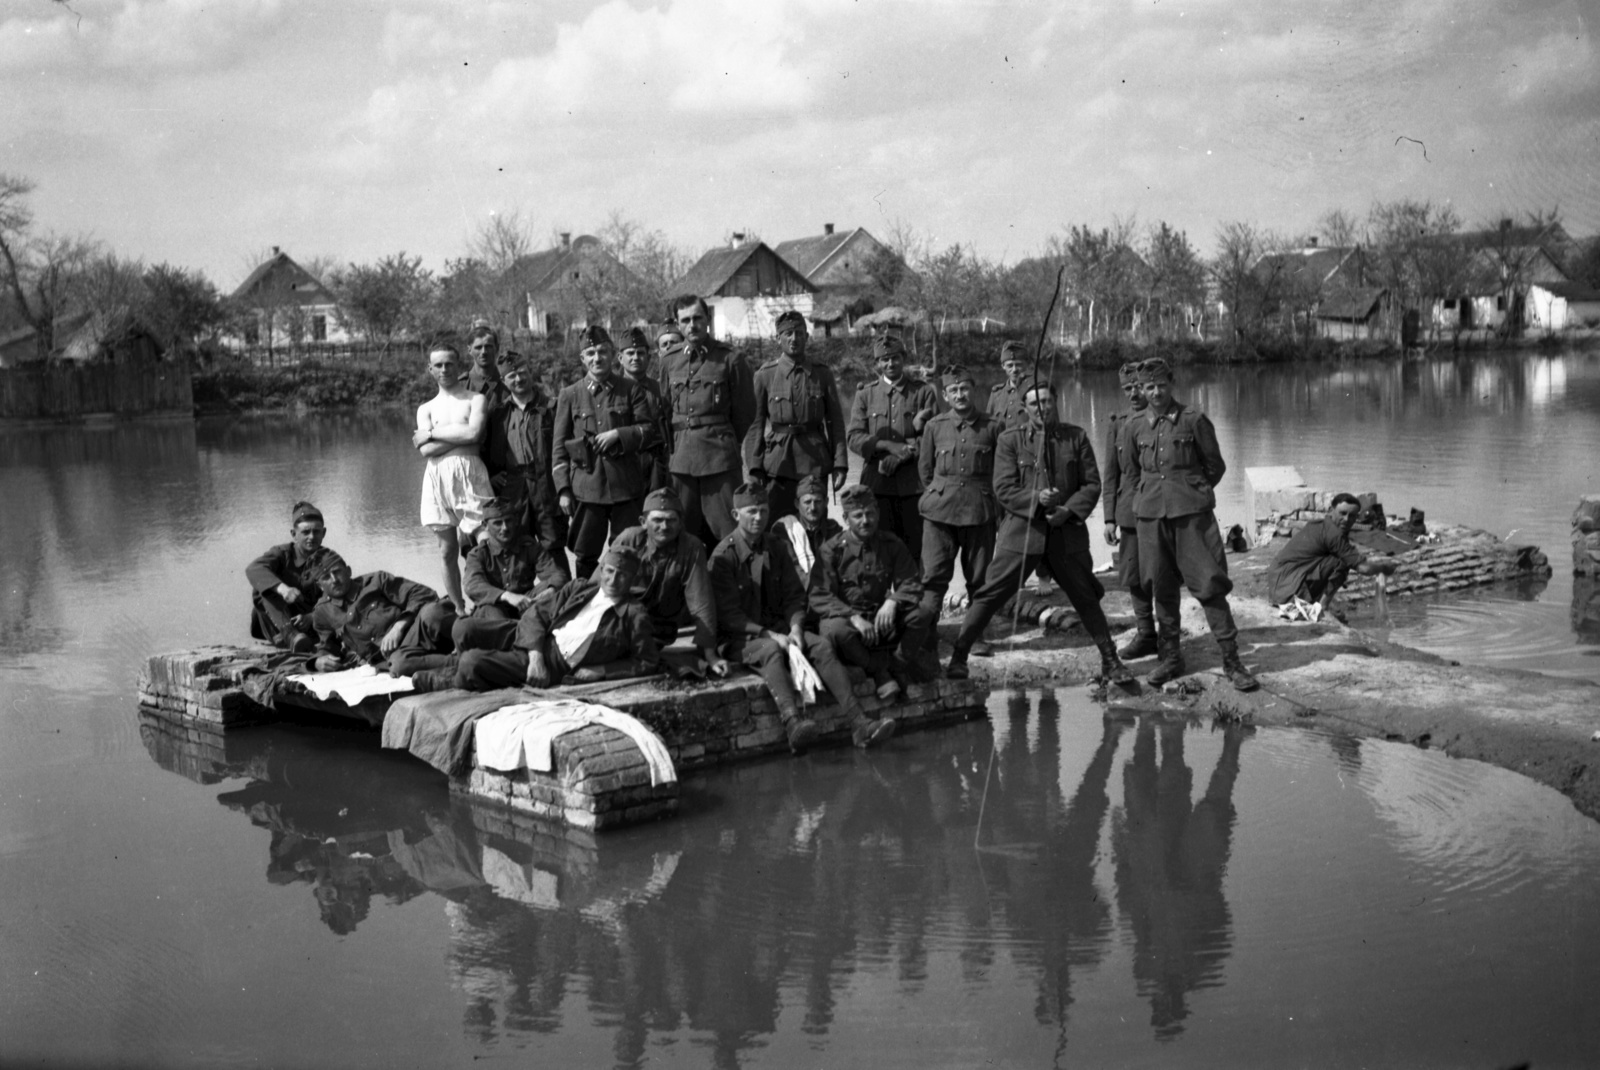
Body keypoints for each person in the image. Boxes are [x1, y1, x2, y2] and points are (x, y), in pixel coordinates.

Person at [944, 380, 1134, 684]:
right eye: (1034, 404)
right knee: (988, 594)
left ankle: (1111, 662)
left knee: (1086, 597)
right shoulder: (1010, 440)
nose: (1041, 408)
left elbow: (1091, 484)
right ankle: (958, 658)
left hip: (1066, 535)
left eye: (1046, 401)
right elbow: (1003, 488)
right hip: (1021, 534)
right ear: (1025, 408)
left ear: (1056, 401)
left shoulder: (1077, 436)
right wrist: (1036, 500)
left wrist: (1068, 511)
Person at [710, 483, 896, 752]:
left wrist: (796, 627)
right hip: (741, 636)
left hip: (781, 629)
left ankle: (860, 723)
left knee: (820, 645)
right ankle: (792, 723)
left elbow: (794, 596)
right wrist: (770, 634)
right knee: (771, 650)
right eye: (751, 511)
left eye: (763, 510)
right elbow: (729, 616)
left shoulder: (776, 546)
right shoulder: (723, 557)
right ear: (736, 514)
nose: (759, 517)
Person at [1123, 358, 1258, 691]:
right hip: (1152, 517)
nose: (1155, 393)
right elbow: (1132, 470)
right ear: (1141, 389)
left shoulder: (1194, 420)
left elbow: (1216, 466)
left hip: (1192, 518)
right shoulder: (1134, 425)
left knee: (1209, 585)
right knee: (1161, 587)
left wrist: (1191, 492)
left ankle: (1232, 661)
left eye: (1161, 386)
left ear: (1172, 384)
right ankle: (1170, 658)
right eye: (1148, 387)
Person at [444, 546, 659, 691]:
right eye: (610, 571)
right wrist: (535, 655)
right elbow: (537, 613)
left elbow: (646, 661)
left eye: (622, 575)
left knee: (471, 661)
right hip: (537, 640)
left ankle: (445, 680)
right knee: (464, 628)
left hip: (555, 663)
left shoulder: (633, 614)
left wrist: (602, 671)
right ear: (602, 570)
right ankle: (456, 671)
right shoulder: (581, 588)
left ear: (632, 578)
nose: (613, 580)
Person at [810, 484, 936, 699]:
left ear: (878, 513)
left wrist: (893, 601)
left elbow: (911, 582)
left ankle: (897, 665)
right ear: (845, 518)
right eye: (857, 515)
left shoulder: (891, 544)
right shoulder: (832, 550)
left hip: (880, 620)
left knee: (924, 612)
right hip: (850, 625)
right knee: (835, 629)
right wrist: (853, 617)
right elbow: (820, 595)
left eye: (870, 513)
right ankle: (878, 670)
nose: (865, 521)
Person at [552, 325, 655, 579]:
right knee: (585, 554)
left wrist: (618, 435)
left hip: (626, 486)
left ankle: (626, 604)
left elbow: (648, 430)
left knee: (628, 549)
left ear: (612, 355)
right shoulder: (569, 395)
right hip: (587, 489)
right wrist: (564, 490)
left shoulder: (631, 389)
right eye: (590, 353)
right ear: (582, 359)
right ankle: (585, 603)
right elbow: (559, 447)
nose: (596, 358)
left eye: (602, 352)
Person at [916, 365, 1000, 656]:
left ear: (973, 390)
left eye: (964, 388)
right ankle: (927, 635)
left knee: (979, 577)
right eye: (954, 390)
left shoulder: (993, 426)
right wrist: (942, 493)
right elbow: (925, 471)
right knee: (933, 575)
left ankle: (975, 635)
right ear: (945, 395)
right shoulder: (934, 426)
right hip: (939, 513)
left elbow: (1001, 472)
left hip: (980, 510)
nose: (960, 395)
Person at [659, 295, 756, 545]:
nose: (692, 325)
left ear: (708, 320)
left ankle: (732, 583)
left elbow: (745, 411)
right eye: (685, 320)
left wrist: (725, 441)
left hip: (719, 459)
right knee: (682, 533)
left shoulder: (730, 358)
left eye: (697, 318)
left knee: (729, 531)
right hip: (681, 462)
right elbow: (664, 409)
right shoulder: (669, 360)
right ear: (678, 325)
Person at [609, 488, 726, 675]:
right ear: (643, 522)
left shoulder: (691, 547)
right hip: (621, 622)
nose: (664, 526)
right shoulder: (629, 539)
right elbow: (599, 587)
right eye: (657, 520)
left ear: (680, 523)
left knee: (645, 659)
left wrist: (710, 655)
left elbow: (701, 603)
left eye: (671, 520)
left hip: (659, 630)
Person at [413, 342, 493, 613]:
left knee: (486, 540)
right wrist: (457, 433)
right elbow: (425, 451)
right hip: (437, 478)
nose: (444, 369)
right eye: (438, 365)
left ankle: (492, 601)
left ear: (458, 366)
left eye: (449, 364)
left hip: (470, 473)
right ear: (430, 369)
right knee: (447, 550)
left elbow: (474, 436)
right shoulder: (426, 408)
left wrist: (434, 433)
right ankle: (459, 608)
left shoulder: (475, 399)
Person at [745, 309, 847, 520]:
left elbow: (835, 423)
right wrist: (754, 467)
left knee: (815, 523)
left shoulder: (822, 374)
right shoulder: (765, 375)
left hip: (814, 462)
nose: (794, 339)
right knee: (777, 526)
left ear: (807, 337)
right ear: (778, 338)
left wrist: (840, 464)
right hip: (777, 464)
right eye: (788, 334)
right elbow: (755, 425)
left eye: (800, 333)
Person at [846, 332, 940, 559]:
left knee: (915, 550)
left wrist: (902, 454)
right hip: (878, 486)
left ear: (904, 358)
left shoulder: (923, 392)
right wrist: (886, 445)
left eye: (895, 358)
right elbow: (854, 437)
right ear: (877, 363)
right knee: (879, 549)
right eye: (884, 360)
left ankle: (913, 594)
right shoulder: (865, 395)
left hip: (914, 484)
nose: (891, 363)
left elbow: (936, 436)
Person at [481, 348, 566, 565]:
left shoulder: (551, 407)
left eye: (522, 372)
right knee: (516, 549)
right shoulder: (497, 414)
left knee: (553, 547)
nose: (518, 379)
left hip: (546, 486)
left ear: (530, 372)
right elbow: (484, 451)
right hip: (513, 489)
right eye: (511, 375)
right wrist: (491, 476)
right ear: (503, 380)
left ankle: (564, 595)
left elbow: (565, 449)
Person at [453, 498, 571, 653]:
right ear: (485, 526)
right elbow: (472, 585)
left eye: (509, 521)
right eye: (498, 523)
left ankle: (533, 640)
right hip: (494, 608)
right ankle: (522, 646)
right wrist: (506, 596)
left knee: (559, 593)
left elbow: (558, 575)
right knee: (492, 612)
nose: (505, 528)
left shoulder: (529, 546)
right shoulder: (478, 554)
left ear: (516, 521)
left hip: (525, 604)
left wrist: (550, 591)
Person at [308, 556, 458, 676]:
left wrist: (399, 626)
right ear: (320, 585)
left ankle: (470, 641)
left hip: (415, 634)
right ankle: (462, 662)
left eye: (337, 572)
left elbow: (423, 594)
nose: (335, 580)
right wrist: (317, 662)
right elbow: (327, 647)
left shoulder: (376, 581)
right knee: (399, 665)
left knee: (434, 612)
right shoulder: (322, 612)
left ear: (348, 570)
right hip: (391, 658)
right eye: (326, 577)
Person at [1101, 360, 1158, 659]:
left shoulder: (1160, 417)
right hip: (1129, 510)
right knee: (1134, 573)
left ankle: (1170, 637)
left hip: (1159, 507)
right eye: (1127, 388)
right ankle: (1146, 633)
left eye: (1138, 386)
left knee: (1162, 571)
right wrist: (1109, 517)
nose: (1133, 393)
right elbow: (1110, 474)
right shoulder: (1117, 422)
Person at [247, 501, 343, 652]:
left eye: (316, 532)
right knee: (263, 589)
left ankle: (303, 642)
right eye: (305, 532)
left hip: (314, 624)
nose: (311, 537)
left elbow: (341, 596)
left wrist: (312, 617)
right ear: (294, 534)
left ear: (324, 533)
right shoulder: (282, 554)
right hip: (280, 623)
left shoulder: (330, 559)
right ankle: (290, 636)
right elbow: (254, 569)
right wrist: (283, 589)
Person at [1265, 492, 1369, 619]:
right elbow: (1361, 566)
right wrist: (1383, 568)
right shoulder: (1332, 534)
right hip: (1287, 590)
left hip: (1279, 586)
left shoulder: (1320, 525)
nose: (1347, 519)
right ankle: (1323, 606)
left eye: (1352, 516)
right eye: (1342, 513)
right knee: (1342, 560)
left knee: (1337, 557)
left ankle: (1315, 601)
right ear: (1331, 510)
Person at [618, 325, 670, 491]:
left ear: (648, 356)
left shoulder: (660, 389)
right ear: (620, 358)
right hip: (625, 460)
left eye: (640, 353)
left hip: (656, 461)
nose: (635, 358)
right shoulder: (614, 391)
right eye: (630, 353)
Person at [773, 472, 842, 596]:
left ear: (826, 502)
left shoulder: (834, 529)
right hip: (794, 596)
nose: (813, 508)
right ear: (796, 504)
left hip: (828, 594)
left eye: (818, 501)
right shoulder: (785, 529)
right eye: (807, 502)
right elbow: (792, 568)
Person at [987, 340, 1031, 430]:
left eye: (1018, 365)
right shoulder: (996, 394)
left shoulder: (1035, 393)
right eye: (1010, 365)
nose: (1014, 370)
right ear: (1003, 366)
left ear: (1027, 364)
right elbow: (989, 428)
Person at [465, 325, 510, 411]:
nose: (484, 352)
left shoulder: (509, 384)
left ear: (496, 348)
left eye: (488, 346)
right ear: (469, 350)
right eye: (478, 347)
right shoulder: (461, 386)